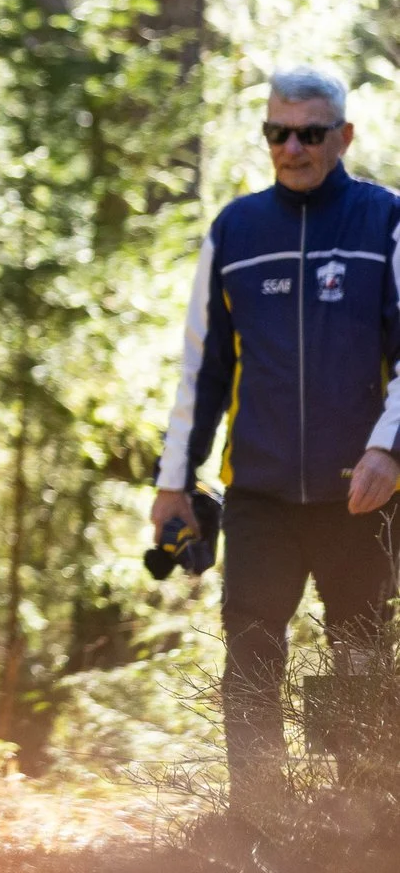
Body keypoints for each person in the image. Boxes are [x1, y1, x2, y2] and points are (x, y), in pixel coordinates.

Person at [153, 65, 400, 819]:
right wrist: (174, 482)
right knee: (252, 652)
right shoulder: (236, 229)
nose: (291, 147)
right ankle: (259, 822)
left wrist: (388, 448)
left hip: (360, 493)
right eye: (276, 132)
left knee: (358, 656)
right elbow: (202, 365)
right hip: (257, 493)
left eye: (309, 133)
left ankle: (357, 824)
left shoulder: (385, 220)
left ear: (343, 137)